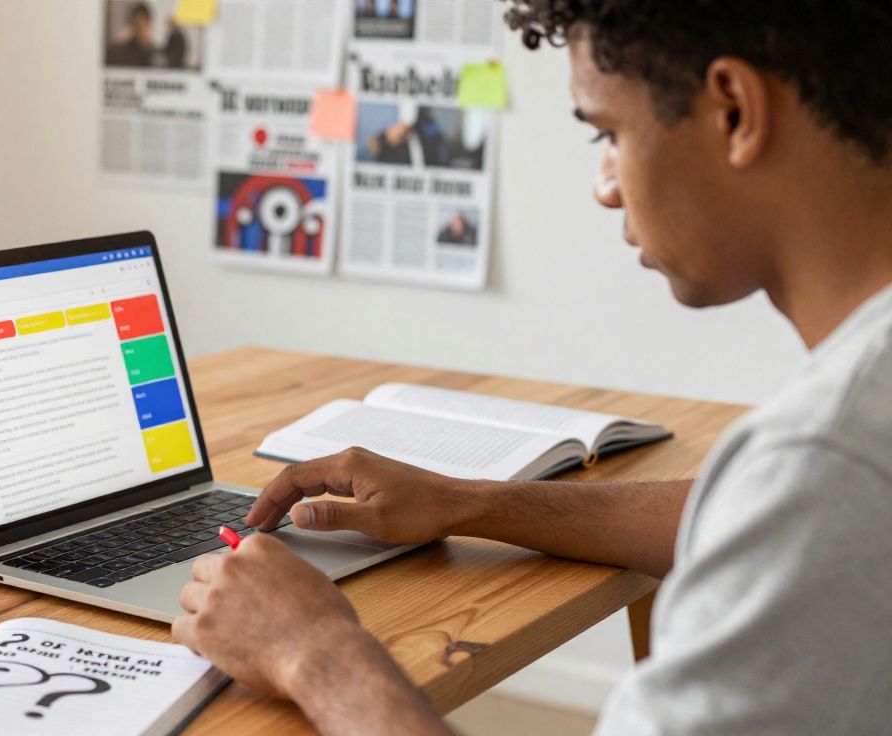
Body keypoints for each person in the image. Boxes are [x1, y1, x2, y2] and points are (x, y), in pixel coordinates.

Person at [172, 2, 892, 734]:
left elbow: (796, 498)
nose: (605, 186)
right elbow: (746, 511)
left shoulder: (827, 459)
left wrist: (316, 652)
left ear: (735, 112)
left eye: (609, 133)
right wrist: (469, 502)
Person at [106, 2, 155, 69]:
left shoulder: (156, 54)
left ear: (149, 24)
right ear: (133, 25)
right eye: (138, 26)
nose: (141, 30)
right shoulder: (120, 53)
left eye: (142, 25)